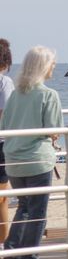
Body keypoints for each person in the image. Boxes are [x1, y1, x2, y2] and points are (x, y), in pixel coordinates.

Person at [3, 46, 62, 259]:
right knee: (37, 210)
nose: (54, 67)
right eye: (52, 63)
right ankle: (28, 258)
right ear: (44, 66)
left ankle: (12, 250)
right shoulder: (48, 95)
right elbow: (54, 130)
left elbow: (5, 126)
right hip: (37, 158)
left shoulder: (16, 94)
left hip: (14, 159)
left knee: (24, 207)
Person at [0, 40, 13, 238]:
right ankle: (3, 244)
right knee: (2, 198)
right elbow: (7, 113)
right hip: (1, 143)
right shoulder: (4, 82)